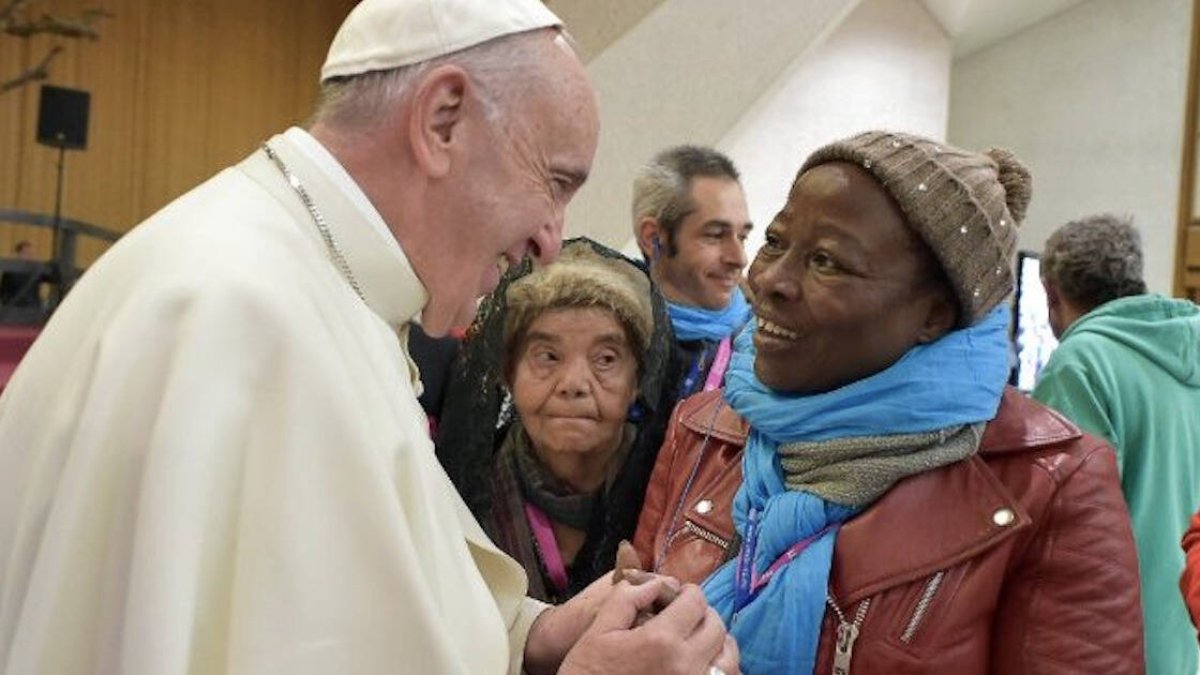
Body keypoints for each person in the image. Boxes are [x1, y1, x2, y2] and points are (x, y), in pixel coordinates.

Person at [0, 1, 738, 674]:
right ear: (442, 120)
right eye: (554, 180)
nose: (551, 240)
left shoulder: (320, 287)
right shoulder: (239, 314)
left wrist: (531, 636)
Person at [634, 130, 1144, 673]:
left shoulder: (1049, 484)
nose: (768, 281)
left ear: (934, 314)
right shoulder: (707, 428)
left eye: (827, 261)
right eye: (778, 242)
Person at [437, 238, 674, 603]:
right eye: (547, 356)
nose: (574, 385)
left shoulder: (670, 490)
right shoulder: (461, 491)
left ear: (638, 382)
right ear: (508, 373)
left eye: (606, 359)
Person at [1032, 213, 1200, 675]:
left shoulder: (1081, 363)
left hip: (1117, 639)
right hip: (1189, 632)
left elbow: (1063, 523)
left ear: (1051, 294)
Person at [633, 146, 754, 407]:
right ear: (653, 238)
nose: (739, 258)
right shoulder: (605, 335)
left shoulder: (765, 348)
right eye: (714, 235)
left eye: (742, 236)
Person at [0, 241, 47, 309]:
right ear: (19, 254)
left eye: (31, 253)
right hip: (15, 308)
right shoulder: (11, 271)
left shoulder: (36, 270)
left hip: (33, 307)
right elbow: (4, 291)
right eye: (26, 253)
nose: (30, 256)